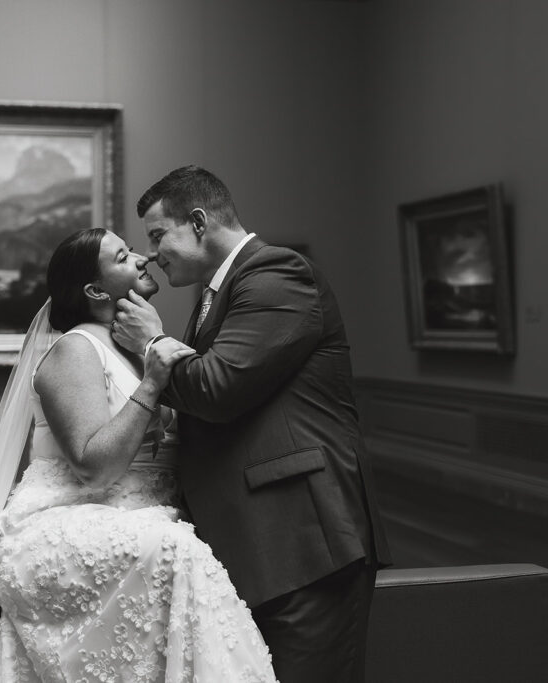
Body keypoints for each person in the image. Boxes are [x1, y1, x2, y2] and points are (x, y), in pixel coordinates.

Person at [0, 228, 277, 682]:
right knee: (178, 551)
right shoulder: (75, 349)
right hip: (67, 517)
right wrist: (152, 383)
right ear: (97, 290)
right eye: (124, 257)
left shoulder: (137, 349)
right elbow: (94, 469)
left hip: (141, 514)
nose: (143, 258)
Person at [112, 165, 392, 682]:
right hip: (258, 544)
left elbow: (218, 390)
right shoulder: (214, 294)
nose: (151, 253)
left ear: (198, 221)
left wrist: (151, 342)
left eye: (157, 236)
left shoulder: (278, 273)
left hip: (303, 541)